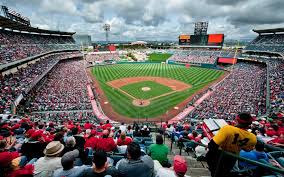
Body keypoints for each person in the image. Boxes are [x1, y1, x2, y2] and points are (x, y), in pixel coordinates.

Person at [206, 112, 257, 177]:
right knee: (223, 174)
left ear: (237, 120)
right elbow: (247, 149)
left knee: (215, 173)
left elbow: (212, 145)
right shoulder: (253, 137)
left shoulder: (228, 128)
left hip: (218, 155)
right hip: (232, 157)